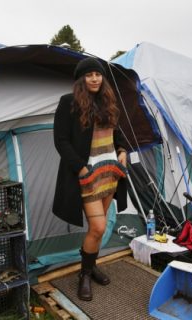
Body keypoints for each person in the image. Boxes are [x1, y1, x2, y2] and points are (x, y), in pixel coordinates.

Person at [52, 57, 127, 301]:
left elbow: (118, 132)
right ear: (81, 79)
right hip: (88, 173)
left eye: (98, 74)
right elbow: (60, 140)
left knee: (97, 228)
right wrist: (80, 168)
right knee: (98, 227)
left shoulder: (108, 102)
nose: (95, 78)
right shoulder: (69, 102)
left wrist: (123, 151)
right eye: (89, 74)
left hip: (109, 172)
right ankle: (84, 275)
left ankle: (90, 265)